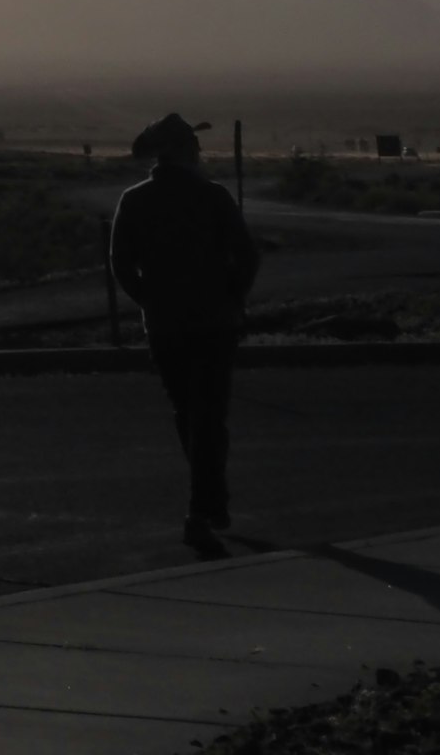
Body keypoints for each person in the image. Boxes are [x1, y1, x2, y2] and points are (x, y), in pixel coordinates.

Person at [108, 112, 261, 552]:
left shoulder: (134, 200)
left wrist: (150, 301)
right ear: (183, 152)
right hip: (214, 323)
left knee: (187, 412)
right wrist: (234, 299)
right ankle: (204, 504)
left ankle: (209, 501)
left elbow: (120, 264)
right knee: (209, 415)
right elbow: (247, 256)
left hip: (165, 325)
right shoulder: (212, 197)